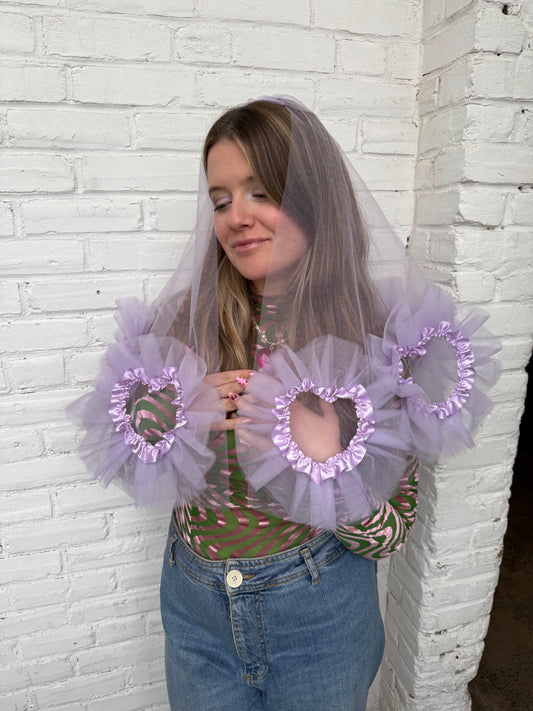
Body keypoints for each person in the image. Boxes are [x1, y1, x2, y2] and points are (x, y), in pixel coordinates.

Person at [70, 97, 499, 711]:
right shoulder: (186, 320)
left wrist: (328, 463)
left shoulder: (379, 340)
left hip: (319, 618)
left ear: (312, 197)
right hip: (194, 609)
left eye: (261, 192)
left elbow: (389, 535)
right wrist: (175, 414)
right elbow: (126, 449)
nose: (236, 217)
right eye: (221, 200)